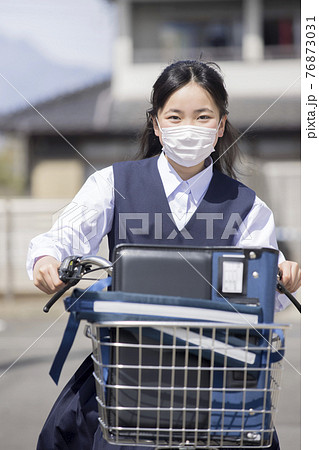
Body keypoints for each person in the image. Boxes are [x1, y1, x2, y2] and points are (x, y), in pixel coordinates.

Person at [27, 60, 301, 450]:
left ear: (220, 125)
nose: (188, 127)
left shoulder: (248, 206)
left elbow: (263, 293)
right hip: (129, 369)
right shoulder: (111, 183)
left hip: (217, 375)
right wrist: (47, 259)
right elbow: (61, 236)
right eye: (174, 116)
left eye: (202, 116)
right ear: (156, 124)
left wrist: (280, 275)